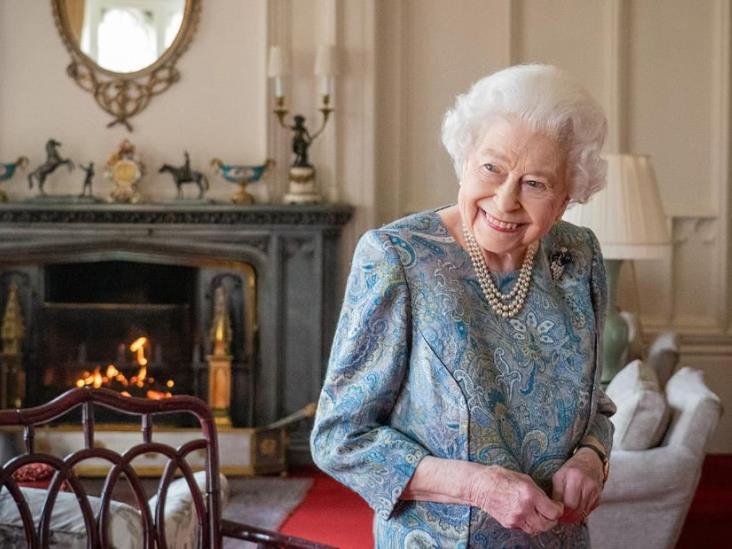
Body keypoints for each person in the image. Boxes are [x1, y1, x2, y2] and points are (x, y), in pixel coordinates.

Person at [310, 64, 616, 548]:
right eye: (492, 168)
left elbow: (594, 405)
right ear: (465, 159)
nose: (505, 199)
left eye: (535, 183)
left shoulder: (578, 257)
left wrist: (590, 458)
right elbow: (340, 440)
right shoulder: (398, 258)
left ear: (566, 196)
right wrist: (477, 486)